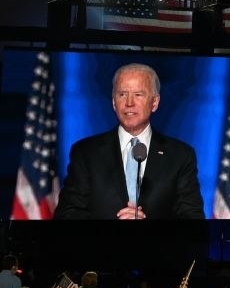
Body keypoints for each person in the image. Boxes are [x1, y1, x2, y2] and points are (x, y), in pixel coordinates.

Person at [54, 63, 205, 220]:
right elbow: (67, 215)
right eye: (122, 94)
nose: (129, 103)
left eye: (138, 94)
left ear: (155, 103)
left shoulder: (180, 156)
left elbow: (193, 219)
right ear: (114, 102)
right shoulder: (85, 152)